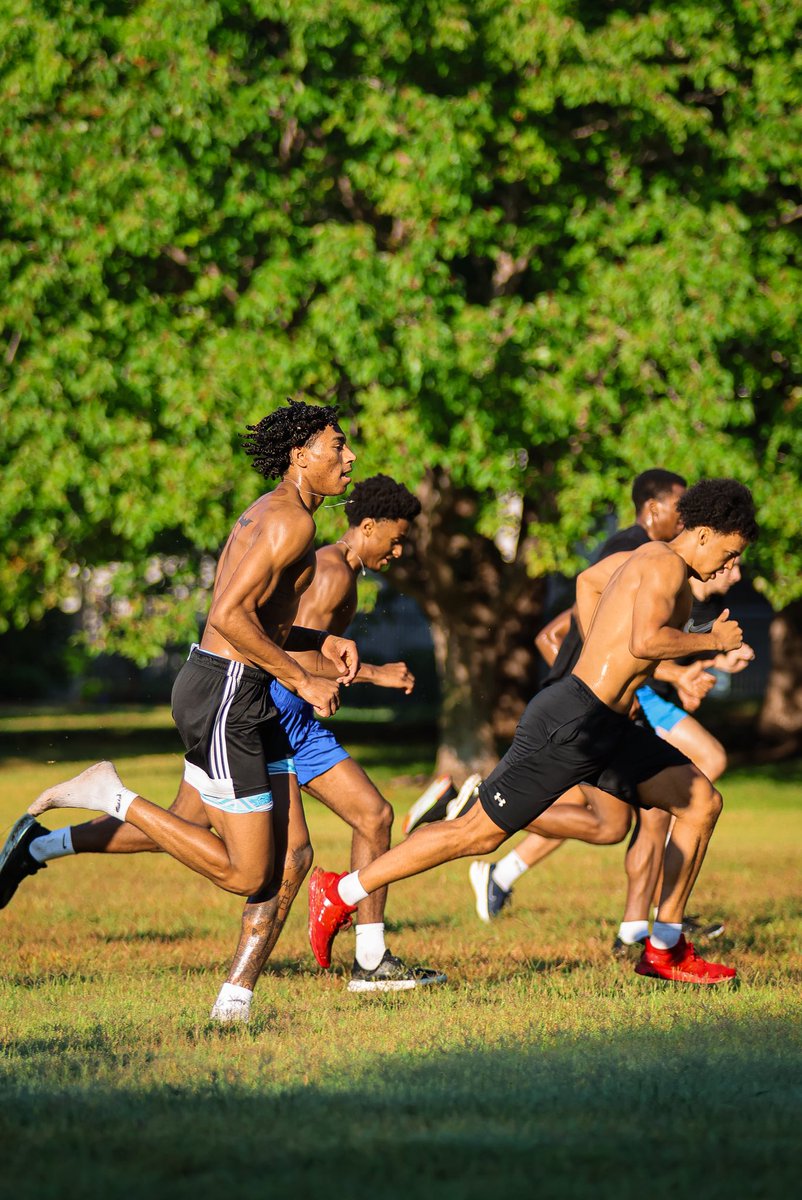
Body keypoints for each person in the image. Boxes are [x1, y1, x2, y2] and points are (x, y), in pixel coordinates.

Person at [307, 478, 758, 985]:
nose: (728, 567)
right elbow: (646, 638)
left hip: (606, 722)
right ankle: (339, 893)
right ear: (704, 532)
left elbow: (589, 582)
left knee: (700, 802)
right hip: (572, 722)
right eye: (729, 552)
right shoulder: (662, 565)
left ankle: (666, 947)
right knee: (475, 835)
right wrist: (710, 639)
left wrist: (599, 658)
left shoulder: (649, 557)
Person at [1, 400, 360, 919]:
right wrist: (303, 680)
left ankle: (37, 847)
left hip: (222, 687)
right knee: (248, 872)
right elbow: (229, 617)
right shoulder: (292, 525)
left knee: (183, 824)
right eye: (338, 446)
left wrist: (317, 640)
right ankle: (111, 794)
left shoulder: (270, 508)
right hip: (228, 693)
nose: (350, 457)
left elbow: (254, 614)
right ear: (300, 456)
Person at [469, 469, 693, 925]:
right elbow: (600, 623)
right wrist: (603, 670)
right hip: (583, 706)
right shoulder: (633, 551)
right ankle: (480, 802)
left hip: (604, 704)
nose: (688, 520)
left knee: (635, 818)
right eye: (681, 508)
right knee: (623, 819)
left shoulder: (658, 556)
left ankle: (640, 926)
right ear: (653, 508)